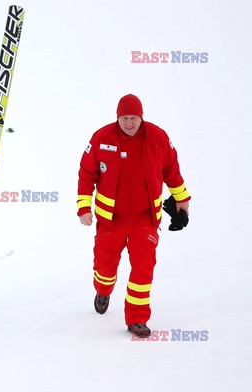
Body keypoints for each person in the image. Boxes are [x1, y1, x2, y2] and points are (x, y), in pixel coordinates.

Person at [77, 94, 190, 338]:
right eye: (124, 118)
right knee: (105, 268)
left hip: (145, 219)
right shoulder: (101, 139)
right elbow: (87, 174)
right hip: (111, 220)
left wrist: (182, 201)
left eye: (134, 118)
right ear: (118, 117)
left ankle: (137, 319)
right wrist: (84, 208)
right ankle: (103, 290)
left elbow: (172, 170)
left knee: (143, 269)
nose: (129, 123)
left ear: (141, 117)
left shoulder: (158, 138)